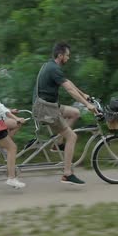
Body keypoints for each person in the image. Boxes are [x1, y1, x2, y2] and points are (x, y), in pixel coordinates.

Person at [33, 42, 98, 185]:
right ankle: (67, 174)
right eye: (67, 55)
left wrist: (83, 94)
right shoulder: (54, 69)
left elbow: (69, 83)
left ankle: (57, 143)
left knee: (75, 113)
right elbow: (69, 90)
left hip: (49, 106)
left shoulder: (51, 66)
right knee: (72, 136)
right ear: (60, 55)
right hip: (45, 109)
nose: (68, 58)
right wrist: (87, 105)